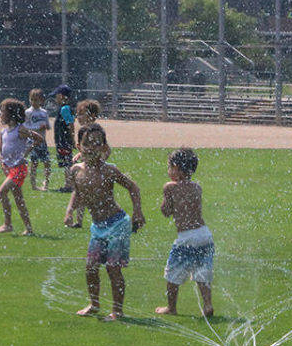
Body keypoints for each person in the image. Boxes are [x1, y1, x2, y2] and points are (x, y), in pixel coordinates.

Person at [64, 124, 145, 321]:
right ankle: (94, 304)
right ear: (78, 146)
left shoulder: (109, 170)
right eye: (87, 144)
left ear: (103, 147)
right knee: (90, 267)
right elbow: (78, 192)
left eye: (97, 144)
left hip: (117, 223)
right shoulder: (75, 171)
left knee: (112, 268)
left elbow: (133, 187)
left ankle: (117, 311)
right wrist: (69, 211)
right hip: (98, 227)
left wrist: (137, 212)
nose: (92, 148)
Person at [155, 148, 214, 317]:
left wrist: (164, 202)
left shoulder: (170, 187)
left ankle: (171, 308)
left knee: (172, 274)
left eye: (169, 167)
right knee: (202, 273)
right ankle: (208, 304)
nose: (168, 171)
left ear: (177, 169)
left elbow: (166, 211)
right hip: (204, 235)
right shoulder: (197, 187)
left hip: (186, 237)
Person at [0, 98, 43, 235]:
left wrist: (27, 151)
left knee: (1, 192)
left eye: (2, 111)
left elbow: (39, 138)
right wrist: (1, 160)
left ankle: (7, 224)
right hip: (9, 168)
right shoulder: (3, 132)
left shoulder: (20, 130)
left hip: (19, 169)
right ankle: (29, 229)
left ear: (10, 114)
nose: (0, 113)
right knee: (18, 199)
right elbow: (0, 149)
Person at [66, 99, 103, 228]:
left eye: (81, 114)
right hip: (85, 166)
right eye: (77, 114)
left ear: (91, 116)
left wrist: (100, 163)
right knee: (80, 192)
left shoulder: (96, 131)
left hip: (95, 168)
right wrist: (79, 154)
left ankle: (99, 220)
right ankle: (78, 221)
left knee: (93, 196)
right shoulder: (83, 130)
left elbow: (105, 149)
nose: (78, 117)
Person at [48, 84, 76, 192]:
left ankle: (69, 185)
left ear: (62, 96)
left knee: (67, 163)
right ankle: (69, 183)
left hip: (65, 141)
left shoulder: (65, 108)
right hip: (62, 141)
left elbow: (70, 124)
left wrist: (72, 140)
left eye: (57, 96)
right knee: (66, 162)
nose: (55, 98)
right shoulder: (65, 108)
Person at [24, 88, 51, 191]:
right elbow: (25, 127)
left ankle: (46, 183)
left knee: (47, 162)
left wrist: (45, 126)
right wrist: (36, 128)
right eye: (32, 99)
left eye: (36, 100)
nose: (34, 102)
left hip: (42, 141)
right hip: (32, 141)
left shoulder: (44, 112)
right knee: (34, 163)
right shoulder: (28, 112)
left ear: (41, 100)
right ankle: (33, 185)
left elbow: (48, 126)